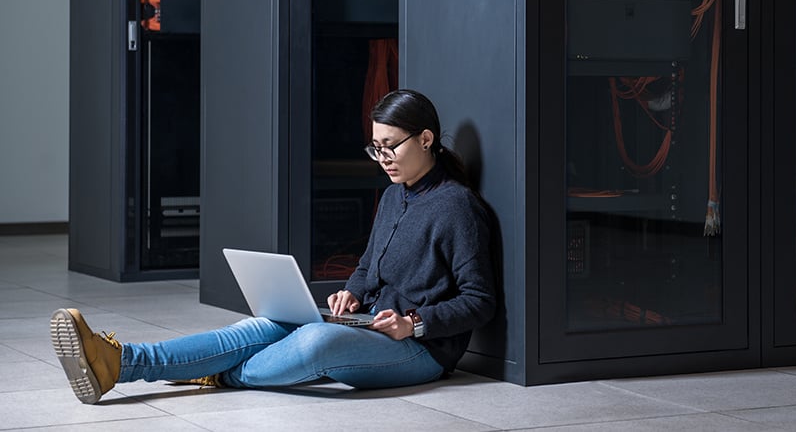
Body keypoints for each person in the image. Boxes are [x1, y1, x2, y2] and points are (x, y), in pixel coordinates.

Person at [50, 89, 497, 404]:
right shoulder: (396, 194)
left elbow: (479, 301)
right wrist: (352, 291)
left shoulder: (457, 207)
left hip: (419, 351)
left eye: (390, 147)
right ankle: (121, 361)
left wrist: (413, 323)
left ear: (425, 139)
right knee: (260, 327)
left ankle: (215, 372)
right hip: (368, 326)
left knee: (315, 340)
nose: (382, 159)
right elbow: (367, 266)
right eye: (375, 148)